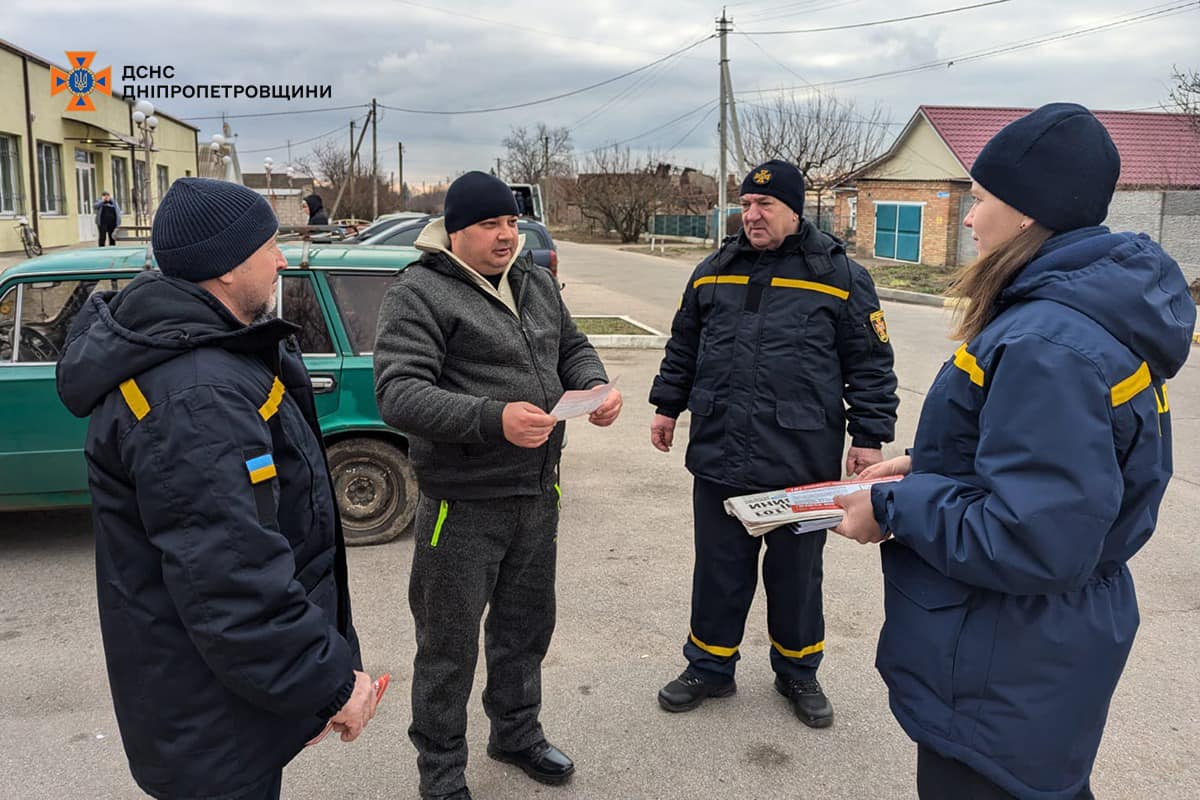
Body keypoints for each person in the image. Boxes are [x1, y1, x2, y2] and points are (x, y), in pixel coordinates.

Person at [832, 104, 1197, 799]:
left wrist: (892, 505)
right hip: (1035, 653)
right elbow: (1048, 474)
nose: (969, 218)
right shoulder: (1070, 319)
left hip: (1003, 662)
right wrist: (929, 464)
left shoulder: (1047, 342)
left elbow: (1035, 539)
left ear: (1029, 211)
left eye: (980, 198)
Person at [55, 178, 380, 800]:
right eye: (269, 246)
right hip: (211, 725)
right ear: (228, 268)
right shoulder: (196, 395)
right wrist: (332, 682)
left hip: (218, 705)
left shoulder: (206, 357)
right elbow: (232, 580)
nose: (282, 258)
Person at [374, 170, 622, 800]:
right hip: (460, 504)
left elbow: (572, 345)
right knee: (447, 647)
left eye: (512, 222)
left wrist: (593, 386)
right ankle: (441, 771)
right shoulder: (420, 292)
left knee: (524, 629)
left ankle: (515, 733)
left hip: (538, 496)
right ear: (456, 230)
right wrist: (493, 418)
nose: (507, 235)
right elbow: (398, 394)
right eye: (491, 225)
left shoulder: (534, 280)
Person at [648, 159, 899, 727]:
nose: (751, 215)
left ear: (794, 209)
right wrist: (667, 406)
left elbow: (871, 364)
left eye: (764, 206)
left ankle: (798, 672)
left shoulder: (839, 276)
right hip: (718, 449)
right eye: (746, 204)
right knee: (718, 566)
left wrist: (869, 437)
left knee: (796, 574)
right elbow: (683, 343)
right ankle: (709, 667)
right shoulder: (715, 268)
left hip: (800, 457)